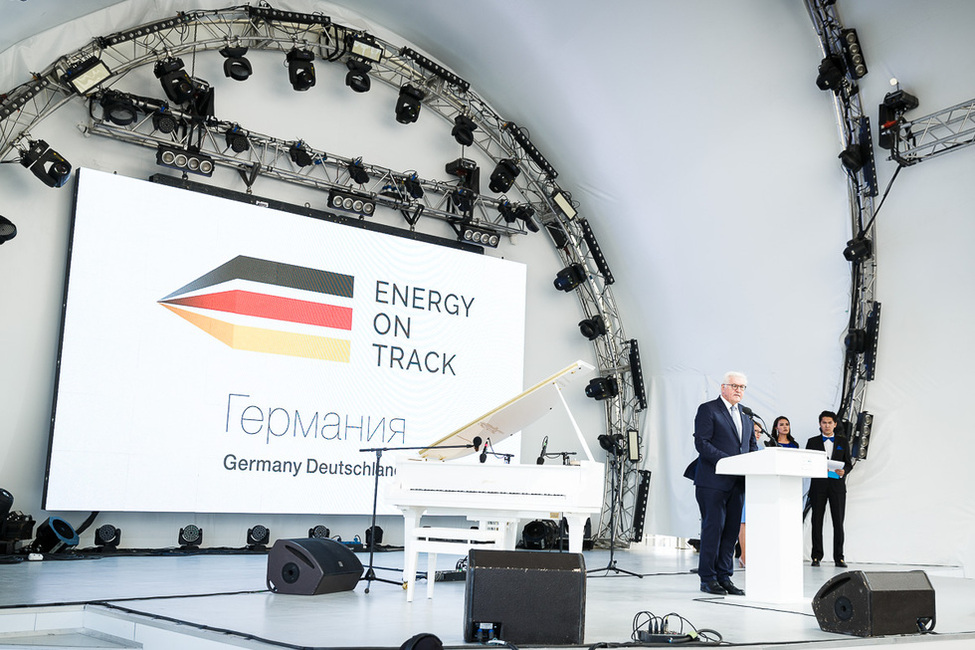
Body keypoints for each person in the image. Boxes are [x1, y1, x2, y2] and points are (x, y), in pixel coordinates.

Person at [692, 371, 759, 596]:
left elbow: (751, 448)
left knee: (730, 532)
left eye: (742, 387)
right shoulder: (709, 409)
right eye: (734, 386)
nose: (739, 390)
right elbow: (702, 443)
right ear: (723, 388)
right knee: (713, 529)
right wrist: (729, 462)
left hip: (737, 484)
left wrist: (750, 463)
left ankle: (724, 577)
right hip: (712, 481)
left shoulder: (746, 415)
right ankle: (708, 579)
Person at [805, 410, 853, 567]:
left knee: (838, 522)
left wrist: (844, 471)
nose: (827, 425)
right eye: (824, 422)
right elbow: (806, 462)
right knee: (816, 521)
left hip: (837, 487)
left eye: (830, 422)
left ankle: (839, 557)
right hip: (818, 485)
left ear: (835, 424)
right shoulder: (812, 442)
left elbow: (848, 463)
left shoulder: (842, 441)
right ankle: (816, 556)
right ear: (820, 424)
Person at [737, 421, 764, 567]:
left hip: (758, 490)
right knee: (744, 522)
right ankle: (744, 556)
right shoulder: (741, 448)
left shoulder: (762, 450)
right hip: (743, 488)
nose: (757, 434)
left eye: (759, 431)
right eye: (755, 431)